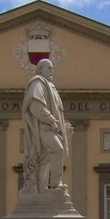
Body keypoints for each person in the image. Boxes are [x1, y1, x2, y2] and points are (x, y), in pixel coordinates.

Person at [21, 58, 72, 194]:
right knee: (57, 149)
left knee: (45, 159)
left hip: (51, 128)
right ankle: (56, 183)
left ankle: (41, 188)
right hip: (44, 128)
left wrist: (63, 127)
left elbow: (56, 112)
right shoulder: (37, 83)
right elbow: (36, 107)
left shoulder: (49, 86)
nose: (52, 71)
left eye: (52, 68)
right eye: (49, 68)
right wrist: (51, 121)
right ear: (40, 69)